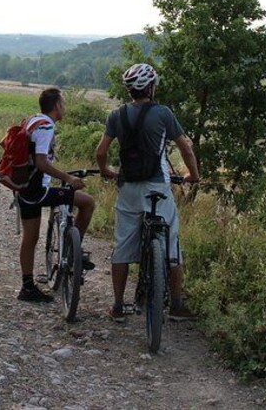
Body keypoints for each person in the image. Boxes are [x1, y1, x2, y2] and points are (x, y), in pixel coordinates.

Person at [95, 63, 200, 321]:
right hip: (157, 188)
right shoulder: (163, 113)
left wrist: (107, 170)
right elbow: (185, 147)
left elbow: (101, 152)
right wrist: (193, 175)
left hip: (128, 187)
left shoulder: (116, 115)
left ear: (130, 90)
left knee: (121, 246)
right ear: (150, 87)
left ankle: (118, 307)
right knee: (171, 244)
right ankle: (176, 306)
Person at [16, 87, 96, 303]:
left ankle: (27, 287)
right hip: (39, 190)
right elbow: (42, 162)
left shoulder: (32, 120)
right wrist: (69, 179)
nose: (65, 107)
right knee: (87, 203)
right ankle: (73, 253)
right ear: (57, 105)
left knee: (30, 238)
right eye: (63, 103)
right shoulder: (46, 126)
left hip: (24, 189)